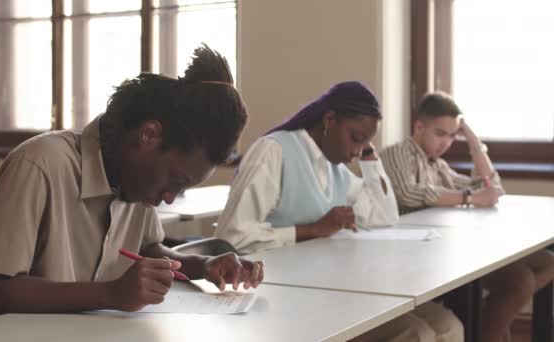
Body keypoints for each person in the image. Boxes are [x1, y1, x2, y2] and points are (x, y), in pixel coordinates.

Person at [0, 44, 264, 319]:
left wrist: (201, 266)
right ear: (148, 136)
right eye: (176, 180)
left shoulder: (136, 180)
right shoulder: (40, 164)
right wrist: (110, 293)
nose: (170, 197)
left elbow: (147, 249)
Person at [215, 82, 462, 342]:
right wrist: (310, 230)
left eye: (365, 143)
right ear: (329, 120)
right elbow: (232, 238)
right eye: (356, 138)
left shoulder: (335, 168)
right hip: (281, 293)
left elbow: (384, 216)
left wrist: (369, 157)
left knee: (448, 326)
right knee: (416, 334)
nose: (356, 151)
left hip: (327, 285)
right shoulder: (274, 151)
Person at [380, 91, 554, 342]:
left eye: (452, 136)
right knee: (520, 281)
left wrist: (473, 142)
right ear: (419, 127)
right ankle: (490, 329)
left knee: (545, 263)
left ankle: (486, 326)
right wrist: (469, 199)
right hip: (414, 258)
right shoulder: (398, 153)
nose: (446, 143)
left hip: (446, 250)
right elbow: (408, 193)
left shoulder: (437, 165)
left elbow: (490, 186)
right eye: (440, 133)